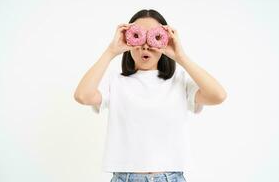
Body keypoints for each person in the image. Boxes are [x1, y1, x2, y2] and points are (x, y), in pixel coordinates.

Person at [74, 9, 227, 182]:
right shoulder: (114, 82)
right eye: (139, 36)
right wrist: (110, 51)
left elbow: (218, 95)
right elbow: (82, 95)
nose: (146, 46)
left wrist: (181, 56)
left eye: (153, 38)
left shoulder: (180, 82)